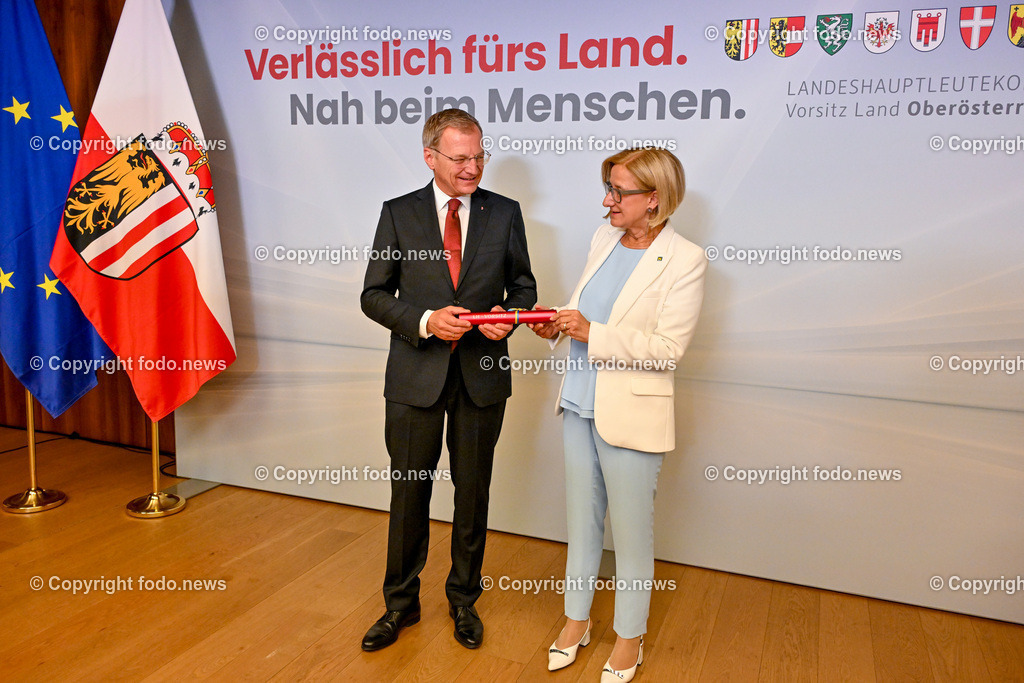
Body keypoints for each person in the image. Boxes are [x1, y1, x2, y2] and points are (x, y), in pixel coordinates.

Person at [360, 108, 537, 652]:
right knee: (409, 493)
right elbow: (373, 295)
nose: (472, 168)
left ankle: (463, 600)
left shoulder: (504, 213)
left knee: (472, 492)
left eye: (479, 156)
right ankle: (400, 605)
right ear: (430, 156)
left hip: (481, 378)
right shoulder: (398, 213)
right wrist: (424, 321)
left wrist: (503, 322)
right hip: (415, 379)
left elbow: (524, 289)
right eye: (460, 158)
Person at [529, 147, 706, 682]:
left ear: (654, 199)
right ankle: (575, 621)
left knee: (630, 533)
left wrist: (591, 332)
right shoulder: (603, 238)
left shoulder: (686, 259)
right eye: (608, 188)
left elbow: (667, 349)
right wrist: (558, 322)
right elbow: (589, 306)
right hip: (581, 399)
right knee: (580, 522)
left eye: (619, 192)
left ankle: (629, 639)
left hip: (632, 412)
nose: (607, 201)